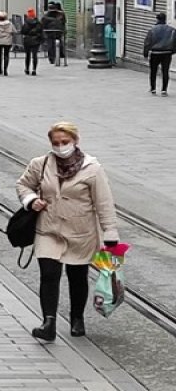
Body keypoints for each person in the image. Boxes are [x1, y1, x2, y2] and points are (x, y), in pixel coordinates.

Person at [16, 122, 119, 341]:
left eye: (65, 142)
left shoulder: (92, 169)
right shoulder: (41, 164)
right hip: (48, 229)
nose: (61, 147)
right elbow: (23, 185)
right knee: (49, 274)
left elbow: (104, 202)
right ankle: (49, 322)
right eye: (56, 143)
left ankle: (77, 318)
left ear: (75, 141)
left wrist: (110, 231)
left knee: (77, 276)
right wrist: (31, 200)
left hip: (80, 232)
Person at [143, 12, 176, 96]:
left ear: (157, 19)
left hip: (155, 53)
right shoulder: (172, 30)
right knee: (165, 71)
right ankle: (164, 90)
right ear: (165, 19)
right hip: (167, 53)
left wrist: (146, 53)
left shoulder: (152, 29)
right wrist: (172, 51)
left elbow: (147, 42)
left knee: (153, 71)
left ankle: (153, 89)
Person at [21, 8, 44, 76]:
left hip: (27, 40)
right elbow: (41, 31)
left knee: (27, 55)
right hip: (36, 40)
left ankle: (27, 69)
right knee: (35, 55)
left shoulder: (26, 23)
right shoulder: (38, 23)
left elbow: (23, 31)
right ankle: (34, 69)